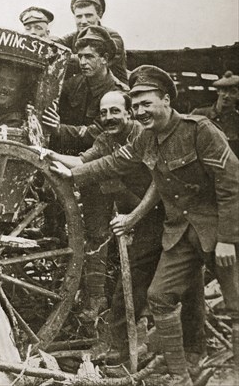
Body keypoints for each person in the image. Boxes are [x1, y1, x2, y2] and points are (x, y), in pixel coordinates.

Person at [52, 65, 239, 385]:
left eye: (146, 104)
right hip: (177, 231)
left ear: (166, 100)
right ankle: (181, 375)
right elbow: (113, 162)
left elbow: (231, 184)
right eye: (136, 105)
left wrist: (226, 238)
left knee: (236, 302)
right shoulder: (146, 139)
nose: (140, 111)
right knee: (159, 296)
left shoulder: (200, 129)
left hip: (217, 228)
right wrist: (70, 173)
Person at [45, 90, 205, 372]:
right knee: (130, 283)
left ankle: (190, 351)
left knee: (187, 283)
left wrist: (133, 216)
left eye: (115, 111)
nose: (109, 117)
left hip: (167, 214)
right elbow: (88, 161)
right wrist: (49, 155)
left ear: (128, 113)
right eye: (104, 112)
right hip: (142, 218)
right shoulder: (107, 138)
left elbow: (158, 185)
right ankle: (124, 352)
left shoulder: (142, 135)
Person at [42, 25, 128, 321]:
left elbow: (96, 134)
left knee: (97, 233)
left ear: (106, 59)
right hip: (77, 161)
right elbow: (54, 106)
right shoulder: (75, 84)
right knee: (66, 229)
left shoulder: (117, 94)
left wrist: (59, 130)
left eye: (90, 56)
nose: (83, 61)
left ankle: (98, 299)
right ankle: (73, 288)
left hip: (108, 174)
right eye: (79, 55)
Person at [55, 0, 127, 83]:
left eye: (88, 15)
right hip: (86, 89)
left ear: (99, 15)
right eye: (79, 16)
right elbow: (56, 44)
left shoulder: (113, 37)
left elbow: (95, 60)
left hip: (113, 91)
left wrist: (65, 58)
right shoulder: (72, 37)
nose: (83, 21)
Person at [192, 70, 239, 156]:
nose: (227, 95)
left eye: (233, 92)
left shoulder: (237, 121)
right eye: (224, 90)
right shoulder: (199, 114)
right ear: (218, 91)